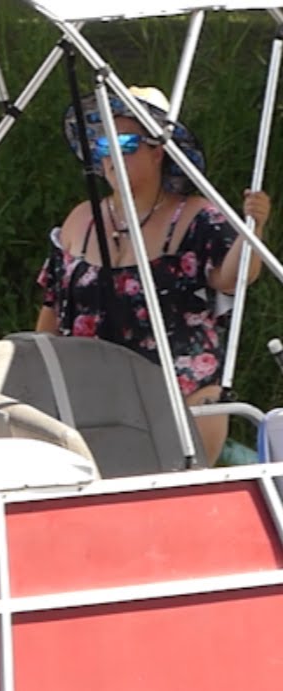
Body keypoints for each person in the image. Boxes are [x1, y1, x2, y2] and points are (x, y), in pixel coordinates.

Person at [36, 86, 270, 463]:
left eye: (125, 143)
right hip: (89, 408)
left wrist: (253, 229)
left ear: (158, 151)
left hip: (181, 405)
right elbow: (51, 307)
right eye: (102, 144)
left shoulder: (198, 217)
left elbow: (235, 278)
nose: (111, 155)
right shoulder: (81, 218)